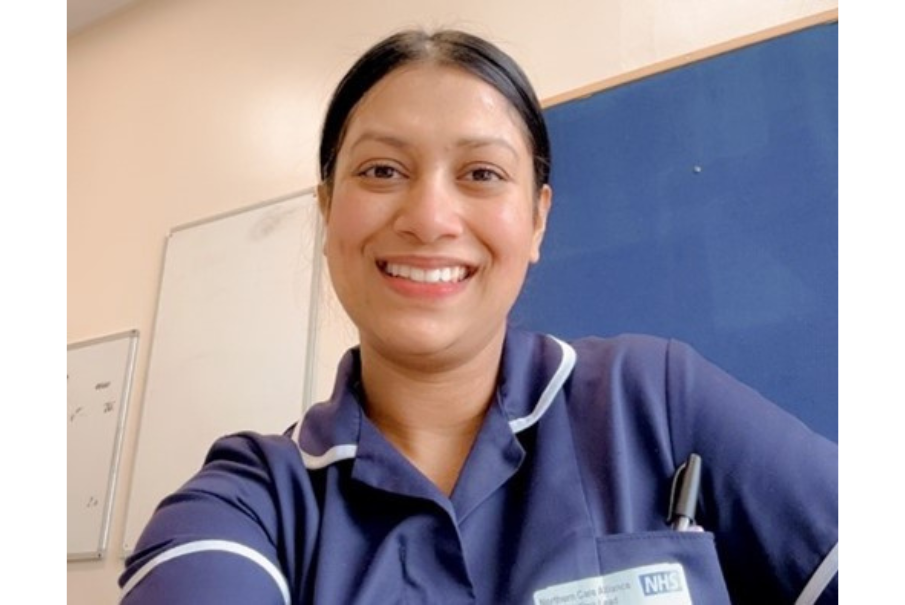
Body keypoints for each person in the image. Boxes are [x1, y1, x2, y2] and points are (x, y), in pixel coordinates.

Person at [118, 29, 838, 604]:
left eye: (481, 174)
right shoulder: (255, 497)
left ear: (536, 221)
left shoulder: (654, 397)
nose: (429, 218)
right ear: (326, 209)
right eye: (380, 171)